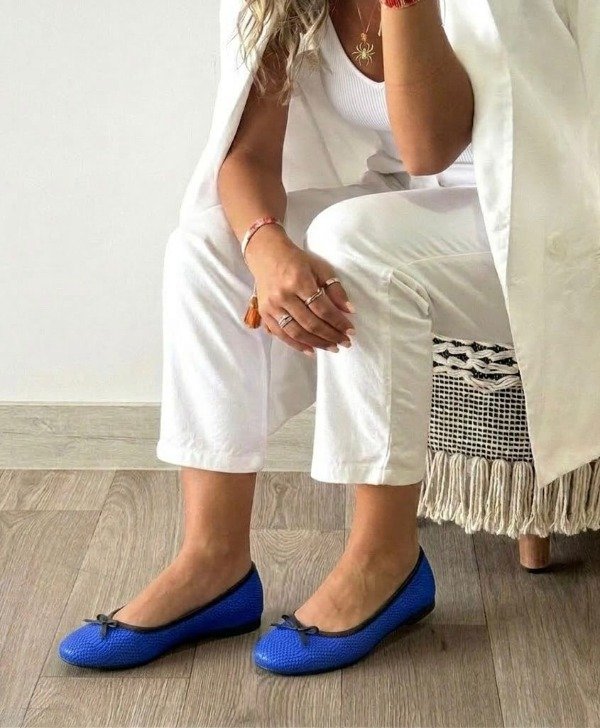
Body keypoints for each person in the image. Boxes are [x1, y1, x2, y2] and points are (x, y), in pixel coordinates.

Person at [57, 0, 600, 675]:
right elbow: (247, 156)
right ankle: (213, 562)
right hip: (413, 203)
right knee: (205, 249)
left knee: (355, 241)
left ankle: (387, 560)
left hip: (533, 216)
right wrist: (266, 250)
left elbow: (429, 145)